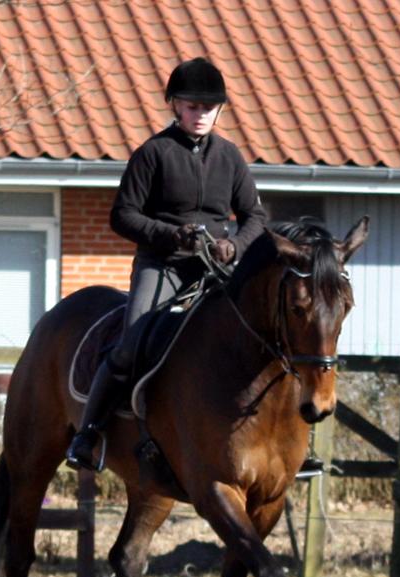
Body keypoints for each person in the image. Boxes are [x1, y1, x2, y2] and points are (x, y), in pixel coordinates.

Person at [65, 57, 268, 471]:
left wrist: (235, 244)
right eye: (192, 107)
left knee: (262, 332)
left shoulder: (230, 157)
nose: (200, 115)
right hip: (163, 265)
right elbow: (123, 216)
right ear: (175, 105)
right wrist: (170, 235)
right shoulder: (153, 153)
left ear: (220, 110)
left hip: (216, 269)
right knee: (131, 341)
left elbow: (256, 218)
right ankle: (89, 435)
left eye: (207, 108)